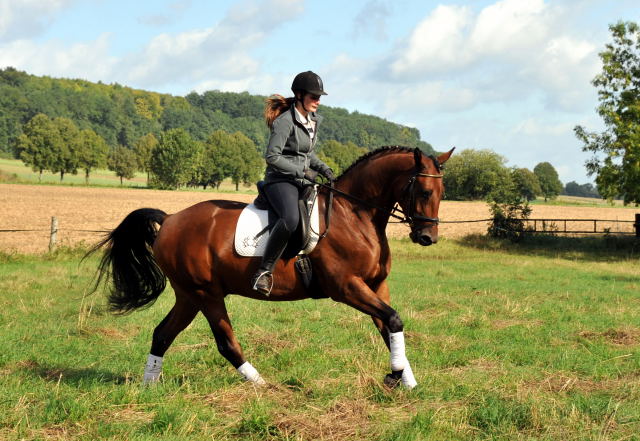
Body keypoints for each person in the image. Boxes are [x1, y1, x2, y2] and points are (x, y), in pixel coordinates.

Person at [251, 71, 335, 295]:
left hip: (302, 180)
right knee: (290, 218)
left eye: (319, 97)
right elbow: (273, 157)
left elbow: (307, 154)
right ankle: (263, 271)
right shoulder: (285, 121)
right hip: (279, 180)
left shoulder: (312, 121)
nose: (317, 101)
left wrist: (323, 168)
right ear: (299, 95)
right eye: (313, 96)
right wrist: (302, 171)